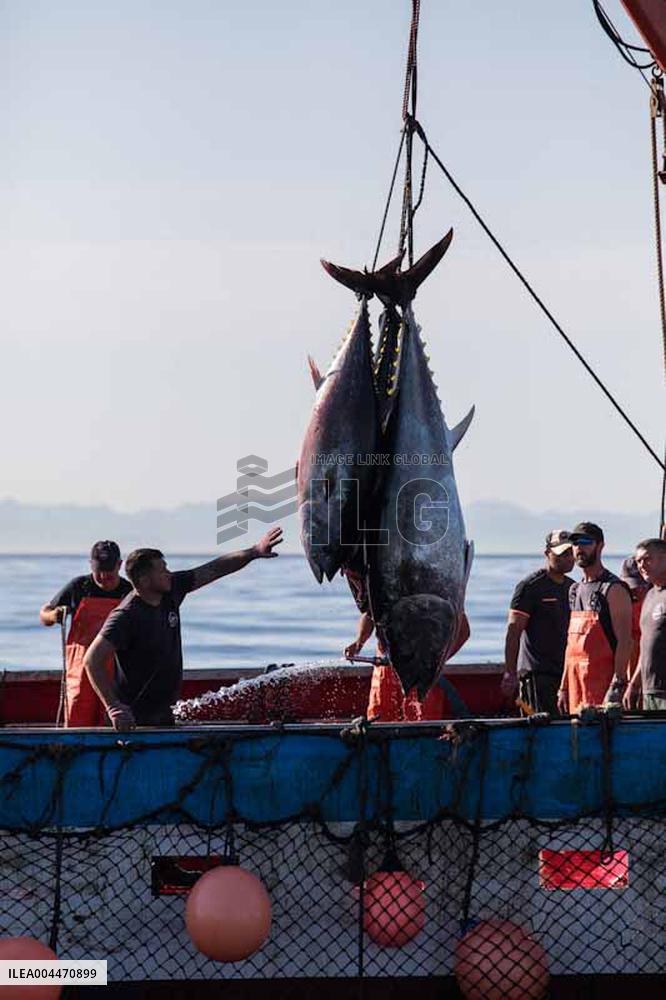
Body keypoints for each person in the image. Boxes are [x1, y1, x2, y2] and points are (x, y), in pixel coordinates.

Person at [84, 526, 283, 730]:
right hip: (133, 722)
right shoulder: (125, 616)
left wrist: (254, 551)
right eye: (162, 570)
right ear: (144, 580)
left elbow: (214, 569)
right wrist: (113, 707)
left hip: (165, 714)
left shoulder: (171, 589)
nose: (169, 574)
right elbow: (92, 660)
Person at [341, 557, 470, 721]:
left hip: (421, 666)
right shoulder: (380, 580)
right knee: (379, 719)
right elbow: (370, 613)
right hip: (386, 661)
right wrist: (359, 642)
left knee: (423, 722)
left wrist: (434, 663)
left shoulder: (432, 586)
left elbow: (463, 631)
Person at [39, 541, 132, 726]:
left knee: (112, 719)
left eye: (109, 572)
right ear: (91, 565)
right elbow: (44, 613)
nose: (103, 577)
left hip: (117, 670)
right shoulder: (79, 586)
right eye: (99, 571)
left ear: (119, 565)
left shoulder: (128, 591)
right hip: (80, 670)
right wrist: (54, 615)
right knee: (77, 717)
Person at [557, 522, 632, 715]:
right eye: (575, 543)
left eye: (585, 542)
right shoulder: (575, 590)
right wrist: (564, 687)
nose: (579, 548)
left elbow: (625, 641)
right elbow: (570, 646)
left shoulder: (613, 589)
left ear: (600, 546)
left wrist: (617, 685)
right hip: (576, 688)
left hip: (604, 689)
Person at [501, 530, 574, 716]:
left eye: (570, 553)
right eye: (562, 553)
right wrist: (510, 673)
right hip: (536, 677)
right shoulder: (530, 587)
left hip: (565, 676)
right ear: (547, 554)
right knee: (538, 728)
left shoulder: (573, 587)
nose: (567, 558)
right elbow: (513, 631)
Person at [624, 538, 666, 711]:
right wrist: (634, 683)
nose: (641, 565)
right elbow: (646, 645)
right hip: (650, 690)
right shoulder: (650, 596)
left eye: (647, 559)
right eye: (638, 561)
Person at [620, 554, 651, 704]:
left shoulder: (656, 604)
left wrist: (635, 682)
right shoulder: (618, 602)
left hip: (650, 682)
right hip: (625, 678)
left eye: (639, 588)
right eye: (629, 589)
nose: (635, 593)